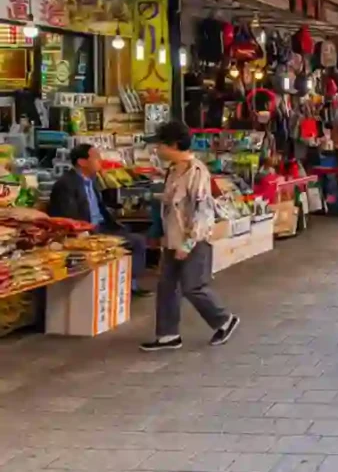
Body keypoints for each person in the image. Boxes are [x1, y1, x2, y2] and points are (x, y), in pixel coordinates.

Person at [140, 122, 239, 351]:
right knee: (166, 285)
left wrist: (188, 243)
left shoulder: (197, 172)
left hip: (193, 240)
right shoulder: (173, 170)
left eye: (160, 145)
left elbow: (202, 211)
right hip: (172, 238)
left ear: (174, 145)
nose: (157, 150)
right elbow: (173, 204)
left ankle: (224, 319)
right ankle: (167, 335)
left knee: (193, 286)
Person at [48, 144, 151, 297]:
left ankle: (128, 283)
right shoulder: (66, 184)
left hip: (102, 226)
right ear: (82, 162)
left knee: (137, 238)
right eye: (96, 157)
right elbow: (67, 216)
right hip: (87, 231)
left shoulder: (92, 180)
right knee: (136, 241)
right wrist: (85, 233)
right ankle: (128, 286)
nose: (100, 160)